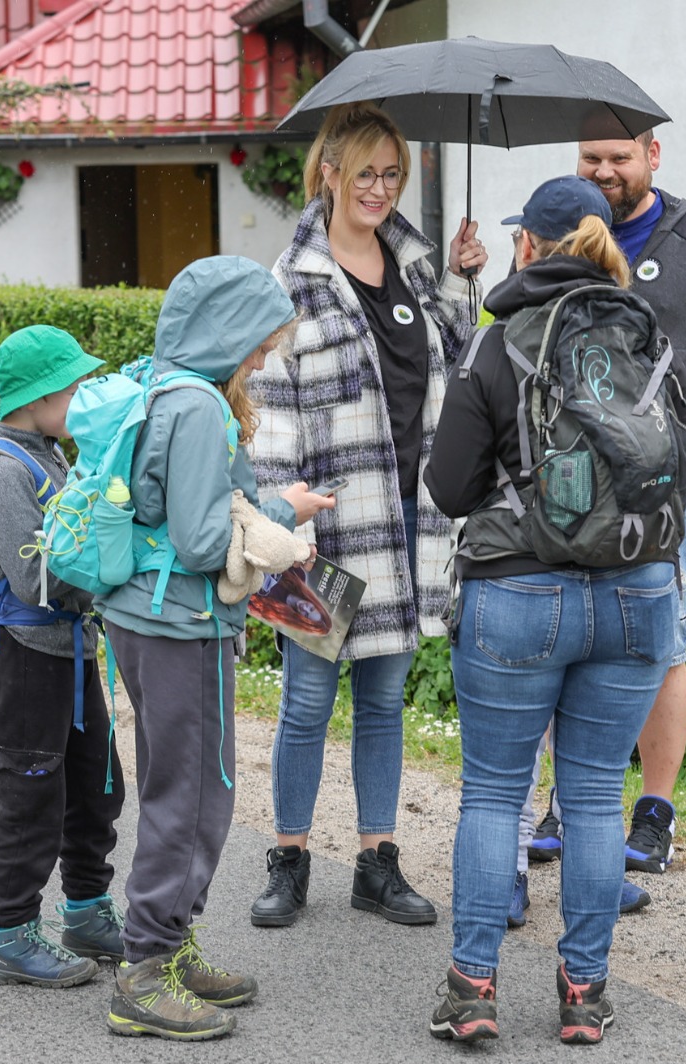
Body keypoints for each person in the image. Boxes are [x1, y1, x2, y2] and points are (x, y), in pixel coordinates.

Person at [424, 175, 686, 1045]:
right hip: (637, 594)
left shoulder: (498, 347)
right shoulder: (651, 338)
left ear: (527, 246)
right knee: (593, 796)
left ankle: (472, 990)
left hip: (518, 595)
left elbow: (452, 485)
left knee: (495, 794)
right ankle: (583, 995)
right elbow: (683, 468)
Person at [248, 102, 486, 929]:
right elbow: (271, 410)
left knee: (383, 704)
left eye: (392, 175)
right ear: (329, 174)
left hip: (407, 527)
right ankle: (288, 857)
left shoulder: (416, 270)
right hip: (324, 534)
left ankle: (376, 862)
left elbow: (456, 362)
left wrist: (462, 278)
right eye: (365, 174)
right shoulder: (291, 283)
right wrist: (285, 527)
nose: (380, 189)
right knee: (307, 706)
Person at [513, 132, 686, 881]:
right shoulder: (552, 230)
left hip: (660, 486)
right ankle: (567, 801)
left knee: (662, 645)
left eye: (618, 157)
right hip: (562, 489)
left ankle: (654, 813)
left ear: (652, 155)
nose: (603, 171)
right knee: (570, 640)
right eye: (590, 157)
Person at [97, 257, 332, 1039]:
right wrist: (280, 510)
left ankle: (168, 944)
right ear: (227, 331)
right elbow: (202, 542)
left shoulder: (163, 385)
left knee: (182, 786)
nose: (262, 359)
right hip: (180, 625)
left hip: (143, 615)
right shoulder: (199, 407)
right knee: (192, 795)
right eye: (259, 343)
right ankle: (146, 970)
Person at [0, 325, 123, 990]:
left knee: (94, 787)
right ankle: (10, 936)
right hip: (25, 652)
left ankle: (87, 912)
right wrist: (113, 577)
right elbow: (34, 578)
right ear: (37, 396)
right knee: (31, 792)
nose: (84, 395)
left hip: (69, 647)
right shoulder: (3, 470)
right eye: (74, 386)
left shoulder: (49, 453)